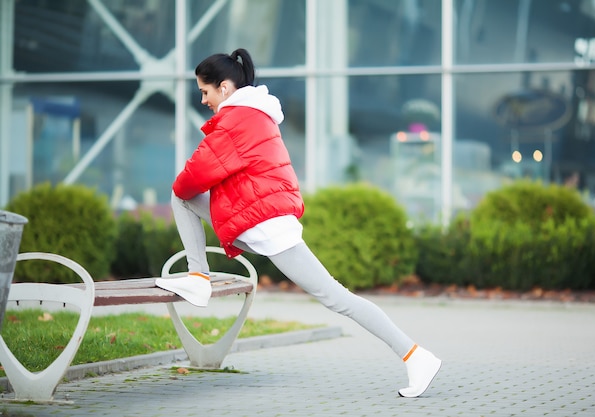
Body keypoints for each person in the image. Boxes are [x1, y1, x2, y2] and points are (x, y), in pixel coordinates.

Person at [155, 48, 442, 398]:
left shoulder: (237, 120)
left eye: (205, 91)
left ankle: (416, 356)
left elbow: (192, 178)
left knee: (337, 298)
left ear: (225, 88)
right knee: (180, 197)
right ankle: (198, 277)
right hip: (259, 223)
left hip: (269, 227)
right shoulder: (251, 115)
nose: (203, 100)